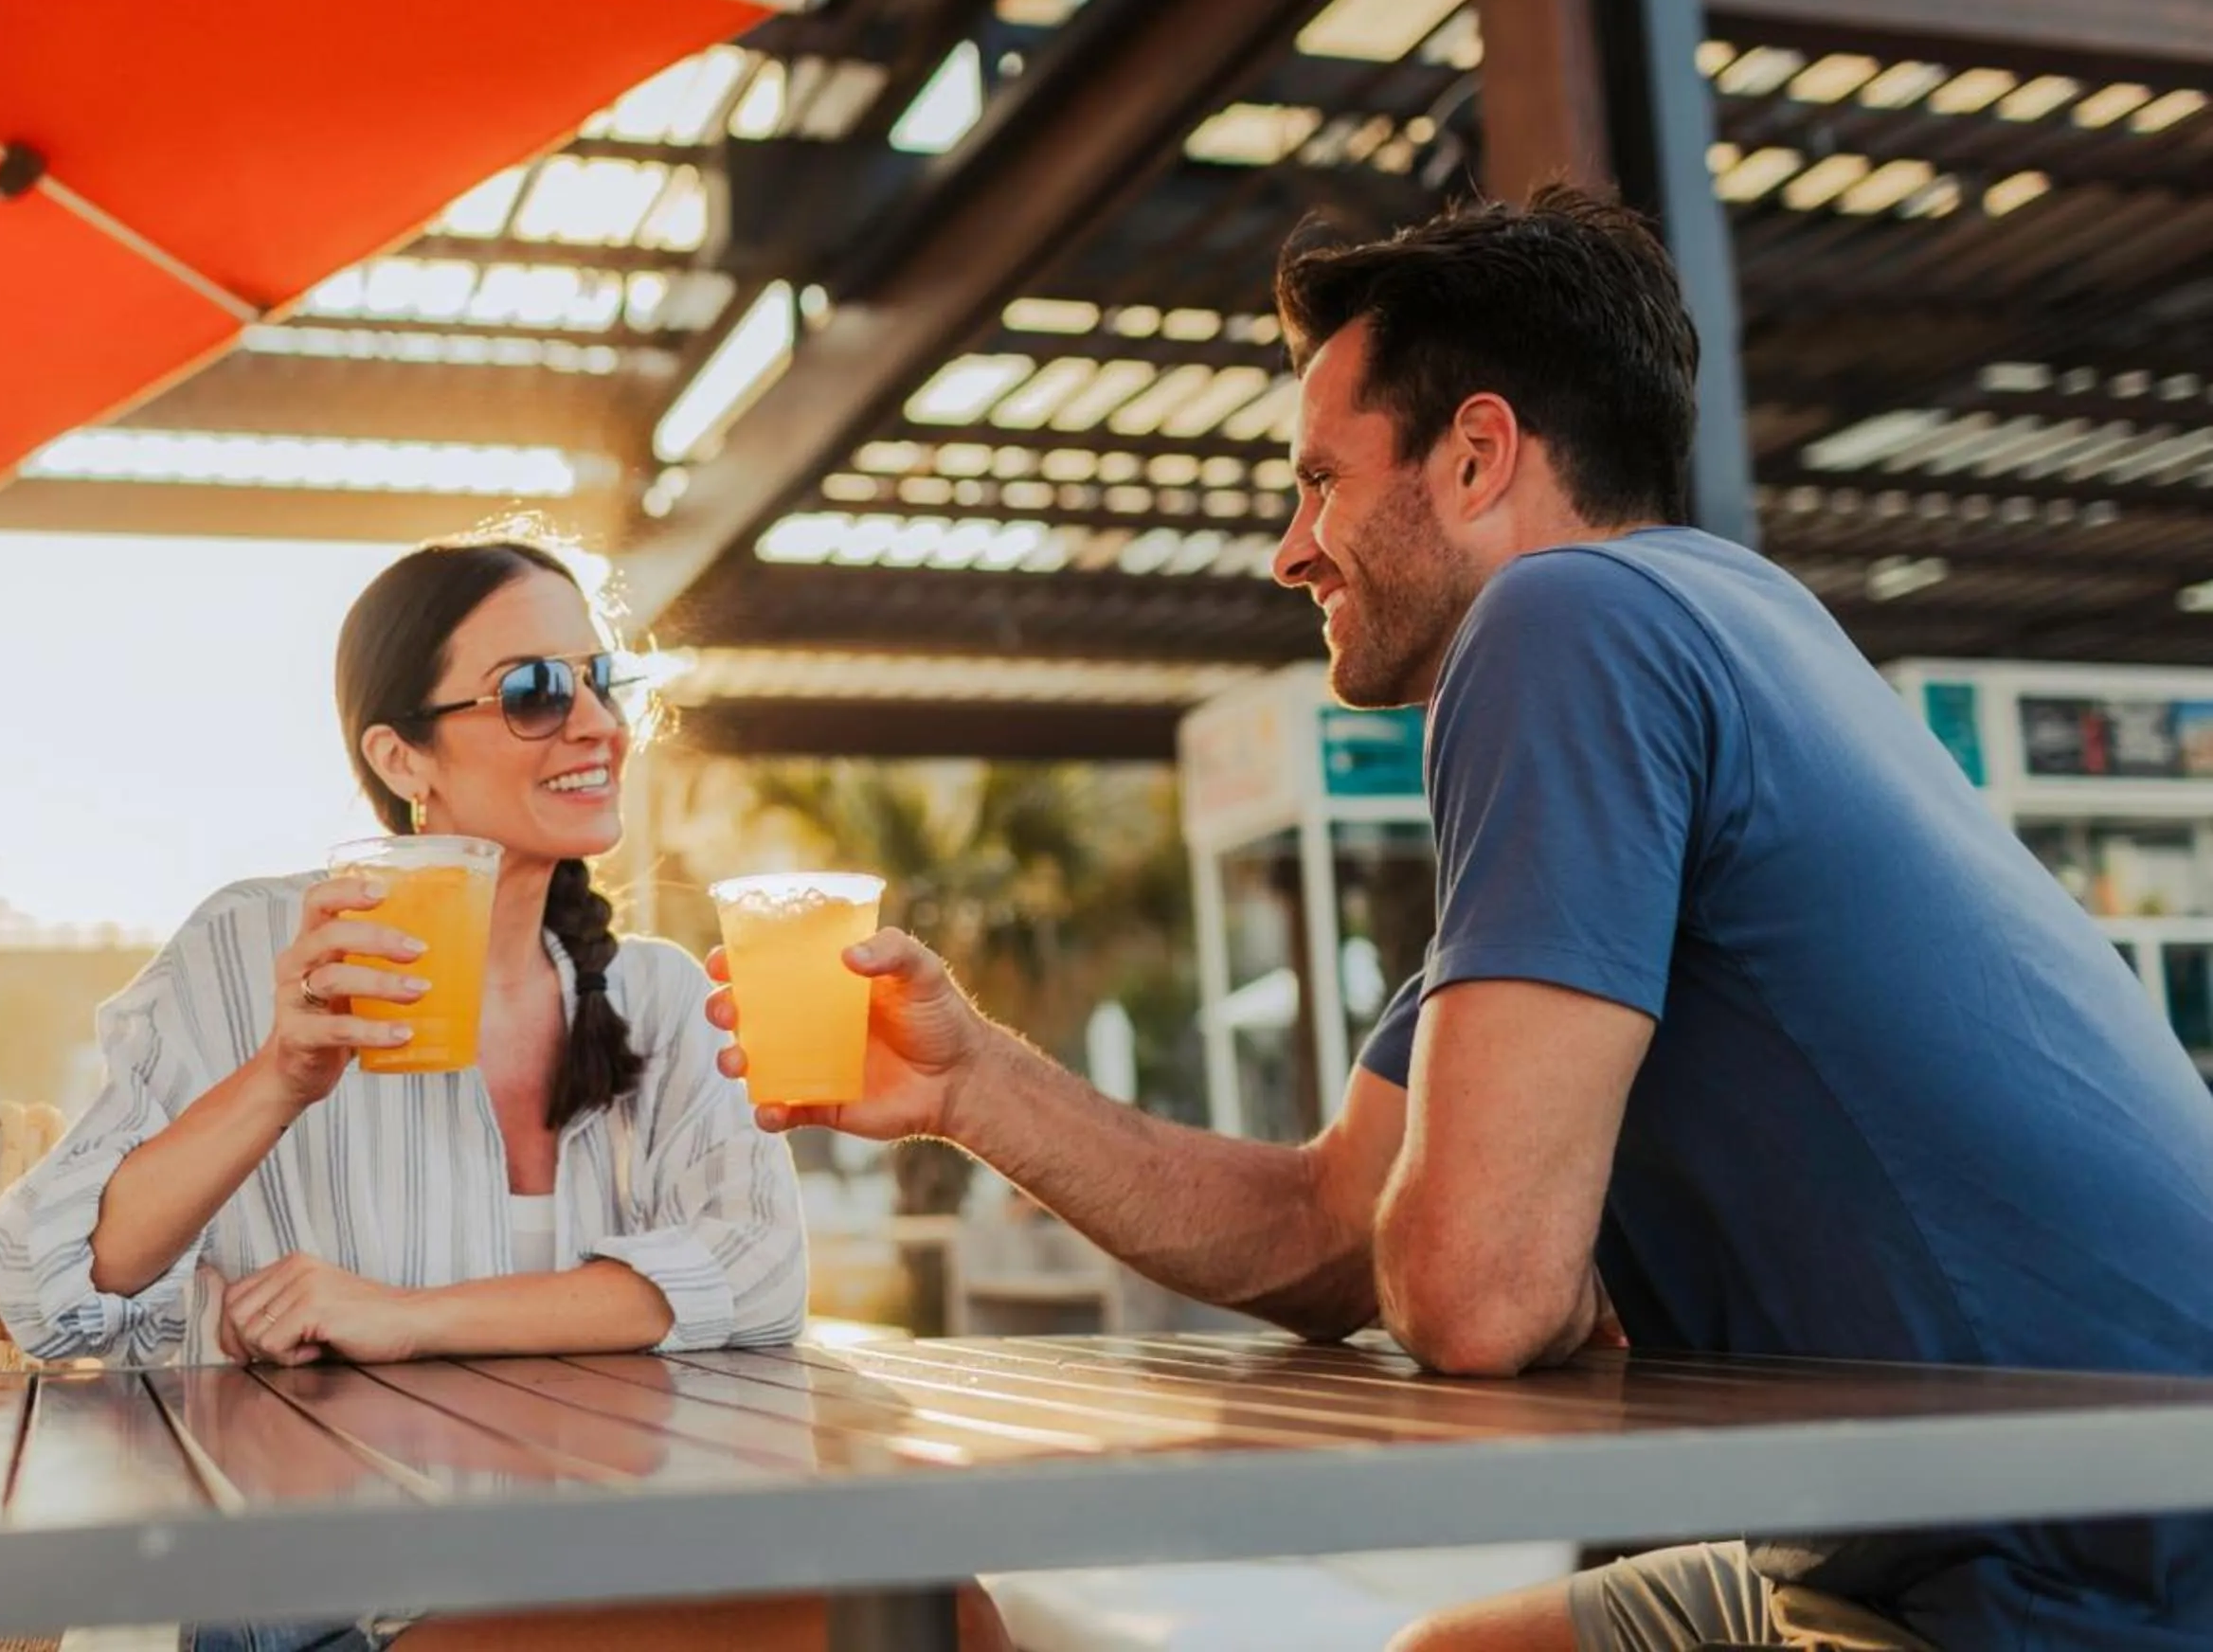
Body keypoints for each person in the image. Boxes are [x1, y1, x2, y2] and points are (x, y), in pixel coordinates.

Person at [706, 189, 2213, 1652]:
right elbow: (1330, 1229)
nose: (1290, 550)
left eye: (1319, 481)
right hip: (2005, 1515)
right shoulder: (1719, 617)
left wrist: (1534, 1270)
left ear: (1478, 453)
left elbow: (1472, 1292)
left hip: (2093, 1566)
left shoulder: (1566, 628)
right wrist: (972, 1082)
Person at [0, 534, 823, 1651]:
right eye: (533, 690)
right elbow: (57, 1295)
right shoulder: (255, 947)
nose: (594, 723)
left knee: (944, 1608)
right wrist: (281, 1075)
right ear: (402, 757)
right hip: (336, 1603)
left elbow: (759, 1268)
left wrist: (403, 1317)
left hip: (601, 1575)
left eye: (600, 678)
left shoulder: (660, 994)